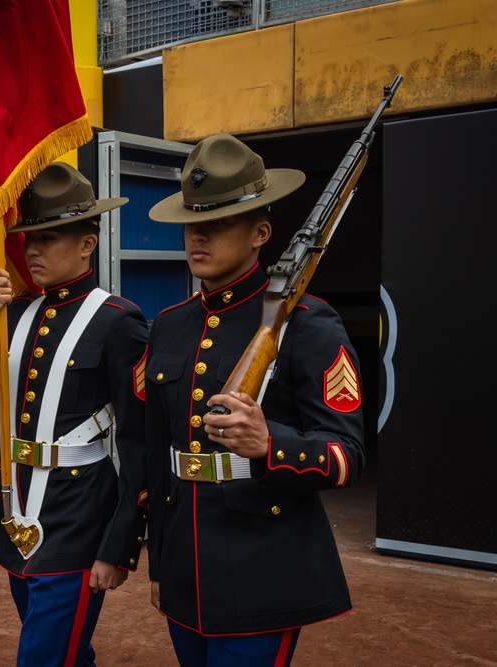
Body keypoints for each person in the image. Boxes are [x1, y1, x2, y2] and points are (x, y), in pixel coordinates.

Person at [144, 134, 366, 666]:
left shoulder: (308, 324)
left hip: (264, 565)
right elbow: (157, 456)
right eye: (191, 223)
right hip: (184, 566)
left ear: (260, 233)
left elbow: (346, 457)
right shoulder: (170, 326)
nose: (197, 236)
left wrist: (271, 445)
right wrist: (159, 565)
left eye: (217, 223)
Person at [0, 162, 150, 667]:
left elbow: (139, 441)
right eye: (28, 236)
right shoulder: (11, 317)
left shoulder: (118, 321)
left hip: (80, 520)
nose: (31, 249)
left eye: (49, 237)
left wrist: (120, 544)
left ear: (87, 244)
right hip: (20, 518)